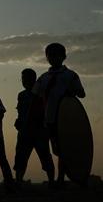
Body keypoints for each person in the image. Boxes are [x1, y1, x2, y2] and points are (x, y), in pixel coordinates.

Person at [32, 42, 86, 188]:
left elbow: (81, 93)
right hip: (48, 118)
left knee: (64, 148)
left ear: (63, 57)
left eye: (56, 55)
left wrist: (70, 91)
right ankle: (55, 178)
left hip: (66, 118)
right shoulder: (43, 78)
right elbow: (35, 96)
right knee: (55, 149)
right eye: (50, 55)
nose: (53, 58)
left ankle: (61, 178)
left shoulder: (71, 75)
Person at [13, 68, 55, 186]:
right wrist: (18, 121)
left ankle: (52, 181)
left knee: (45, 156)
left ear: (34, 79)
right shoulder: (21, 95)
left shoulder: (42, 94)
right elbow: (20, 112)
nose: (24, 81)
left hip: (39, 131)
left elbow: (46, 111)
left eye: (26, 78)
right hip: (24, 132)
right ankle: (18, 181)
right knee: (20, 158)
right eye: (23, 79)